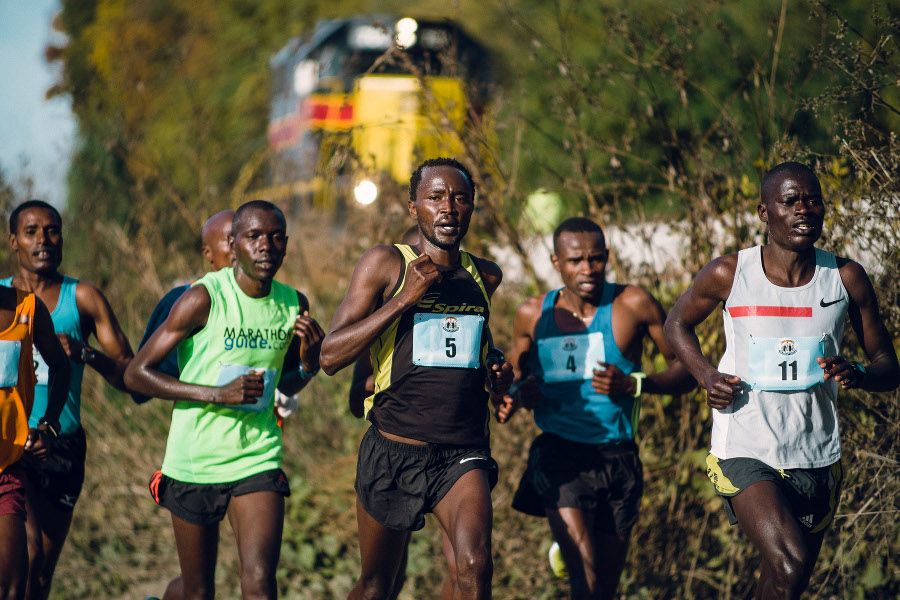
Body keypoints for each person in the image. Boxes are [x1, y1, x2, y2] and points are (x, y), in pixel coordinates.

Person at [663, 162, 900, 599]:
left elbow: (888, 364)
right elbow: (675, 323)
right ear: (764, 211)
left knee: (782, 583)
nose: (803, 210)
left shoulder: (845, 278)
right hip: (746, 449)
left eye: (813, 200)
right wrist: (706, 375)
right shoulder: (729, 274)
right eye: (790, 201)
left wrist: (859, 372)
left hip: (816, 454)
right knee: (788, 562)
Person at [320, 157, 513, 600]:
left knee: (474, 567)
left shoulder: (485, 275)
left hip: (461, 454)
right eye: (436, 197)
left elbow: (471, 348)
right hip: (394, 450)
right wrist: (403, 299)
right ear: (414, 208)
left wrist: (497, 371)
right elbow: (329, 355)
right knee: (377, 585)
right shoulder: (385, 264)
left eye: (461, 198)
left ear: (472, 208)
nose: (449, 208)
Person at [124, 200, 325, 600]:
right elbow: (136, 375)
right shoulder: (203, 298)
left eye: (276, 237)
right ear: (233, 245)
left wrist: (306, 364)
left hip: (257, 455)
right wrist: (216, 394)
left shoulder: (293, 303)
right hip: (195, 458)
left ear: (286, 245)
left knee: (260, 581)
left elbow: (281, 387)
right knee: (198, 591)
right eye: (254, 237)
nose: (266, 246)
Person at [506, 217, 694, 599]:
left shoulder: (634, 304)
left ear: (607, 257)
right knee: (587, 584)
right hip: (560, 454)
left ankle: (572, 546)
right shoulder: (532, 314)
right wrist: (516, 393)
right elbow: (512, 378)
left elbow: (687, 372)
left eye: (595, 259)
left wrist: (635, 383)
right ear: (556, 262)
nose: (587, 269)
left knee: (604, 590)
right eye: (575, 260)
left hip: (619, 456)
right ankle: (572, 545)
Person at [1, 199, 134, 600]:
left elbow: (129, 374)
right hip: (11, 448)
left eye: (53, 230)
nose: (44, 239)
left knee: (40, 574)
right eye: (32, 231)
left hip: (59, 444)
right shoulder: (4, 302)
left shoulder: (84, 298)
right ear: (13, 242)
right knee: (26, 553)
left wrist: (85, 354)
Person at [0, 284, 70, 600]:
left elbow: (60, 365)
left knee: (13, 586)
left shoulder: (27, 309)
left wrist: (47, 426)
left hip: (6, 471)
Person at [129, 209, 236, 405]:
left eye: (248, 237)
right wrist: (215, 393)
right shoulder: (183, 300)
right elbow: (139, 382)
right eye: (229, 240)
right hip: (202, 428)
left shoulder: (273, 301)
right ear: (207, 253)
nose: (238, 247)